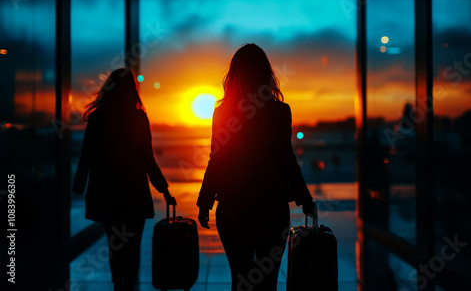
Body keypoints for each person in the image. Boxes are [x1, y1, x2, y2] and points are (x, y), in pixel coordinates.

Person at [197, 44, 317, 291]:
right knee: (268, 281)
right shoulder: (280, 112)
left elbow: (216, 158)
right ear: (266, 75)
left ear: (234, 76)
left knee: (240, 279)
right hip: (271, 209)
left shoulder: (223, 113)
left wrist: (205, 201)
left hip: (233, 209)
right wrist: (305, 199)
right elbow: (287, 159)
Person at [73, 68, 176, 291]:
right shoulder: (138, 118)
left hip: (106, 193)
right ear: (132, 90)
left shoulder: (98, 118)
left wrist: (78, 186)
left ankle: (117, 285)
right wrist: (164, 191)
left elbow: (86, 156)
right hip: (133, 194)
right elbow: (148, 159)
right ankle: (128, 286)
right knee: (132, 246)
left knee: (114, 244)